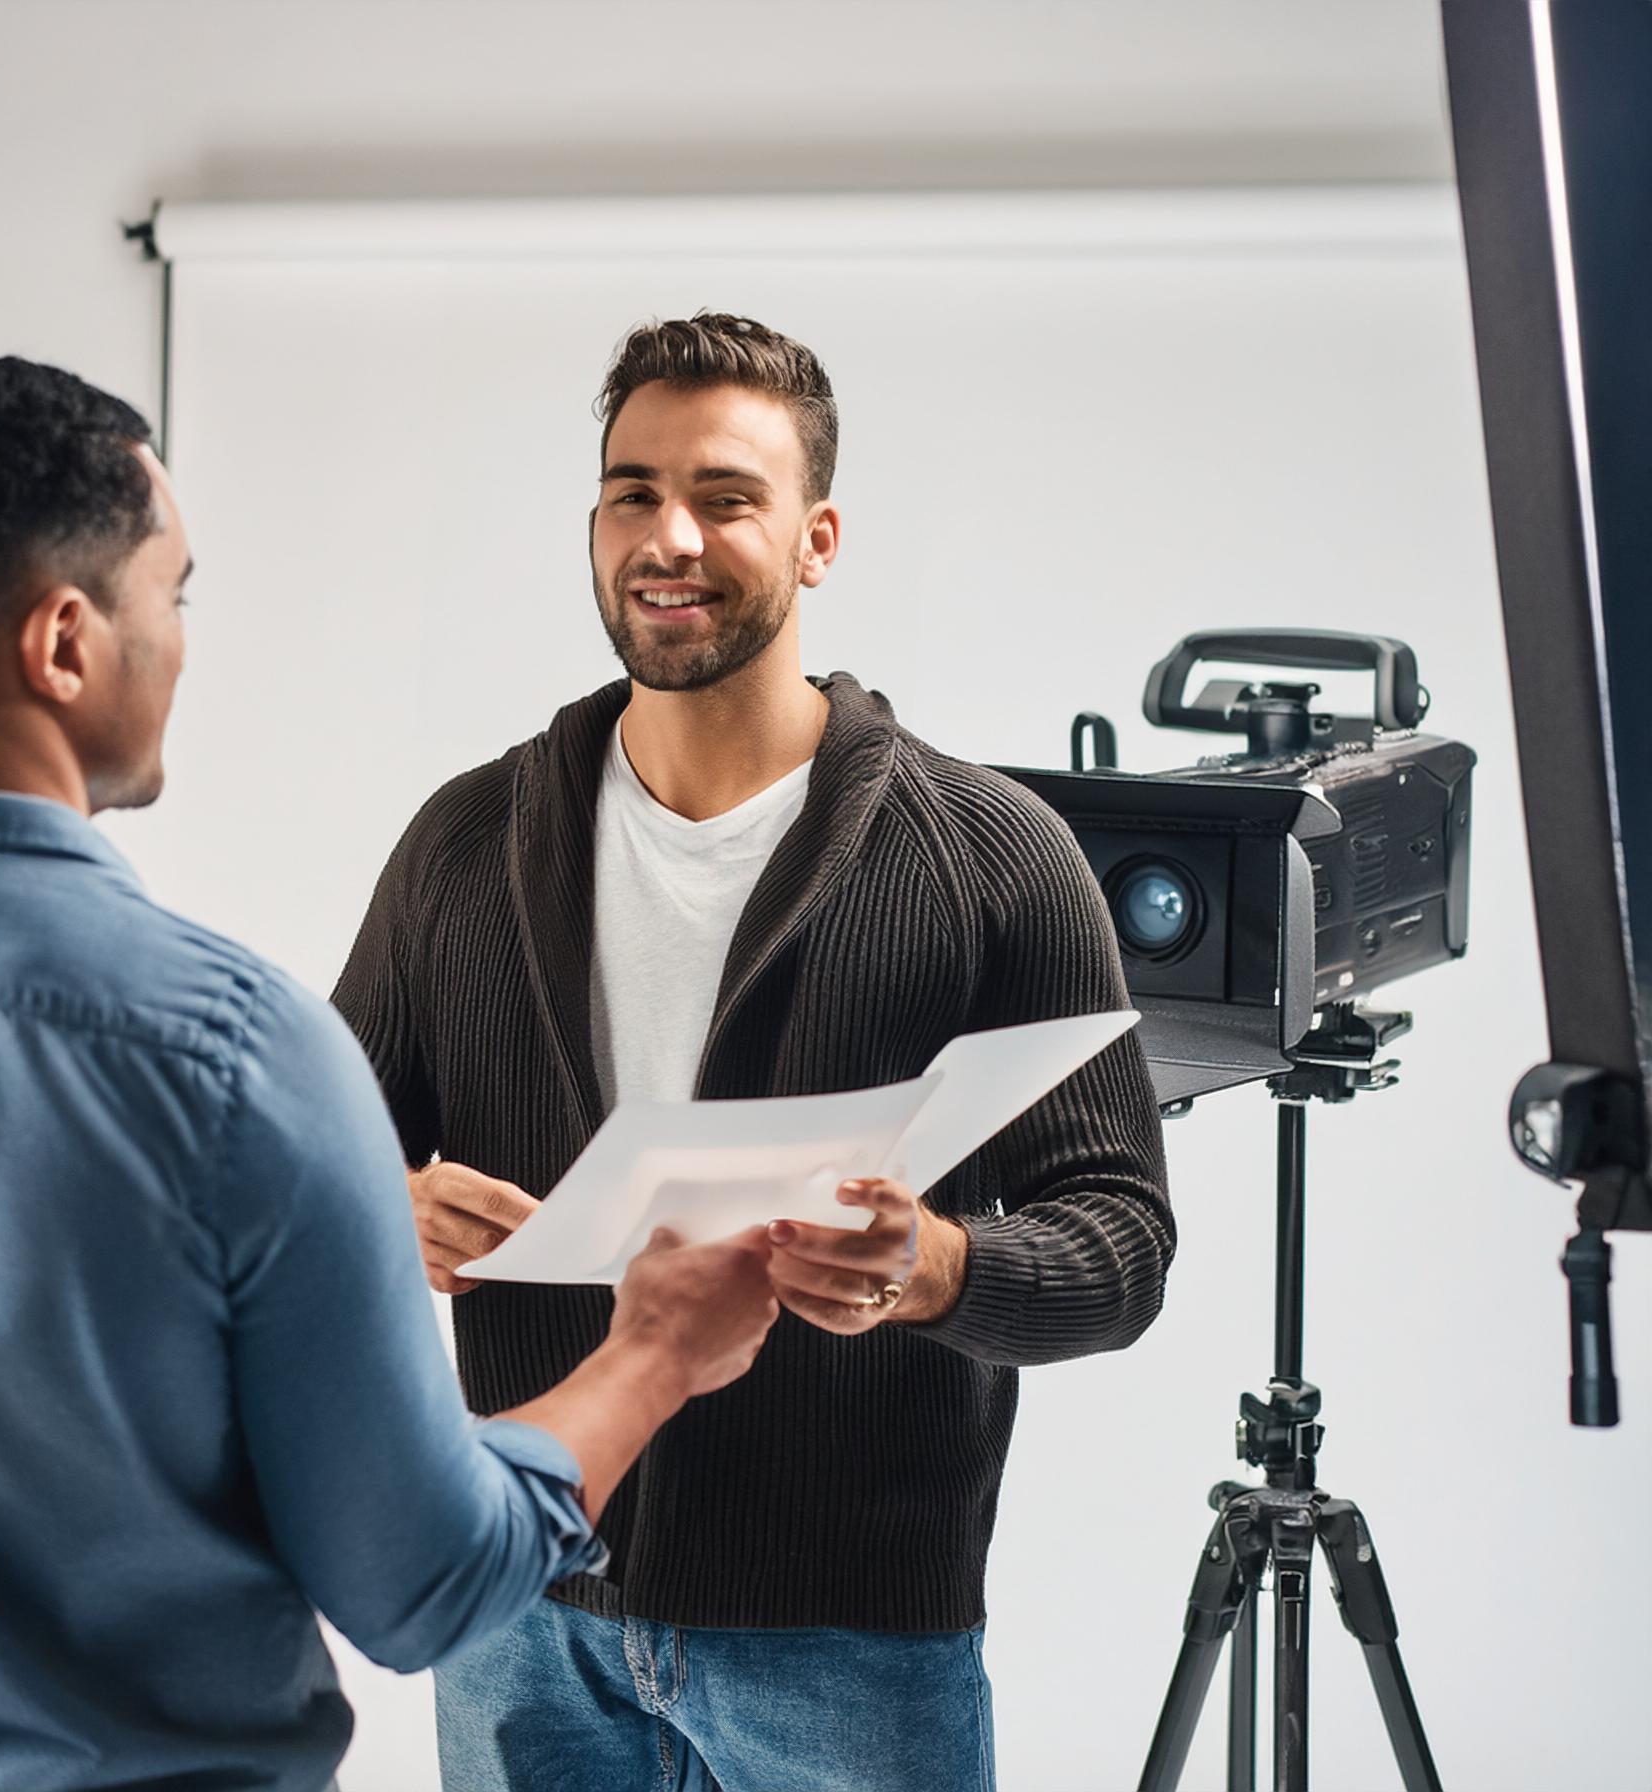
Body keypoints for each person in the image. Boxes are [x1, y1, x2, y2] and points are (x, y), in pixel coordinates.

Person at [0, 354, 783, 1792]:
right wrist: (656, 1351)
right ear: (63, 643)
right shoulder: (238, 1059)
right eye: (173, 594)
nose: (178, 642)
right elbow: (420, 1587)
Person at [333, 314, 1175, 1791]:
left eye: (727, 497)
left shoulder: (998, 858)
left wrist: (936, 1268)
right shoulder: (461, 846)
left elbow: (1121, 1244)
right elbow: (310, 1164)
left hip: (848, 1641)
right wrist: (381, 1210)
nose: (670, 536)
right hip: (522, 1605)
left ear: (816, 539)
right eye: (631, 491)